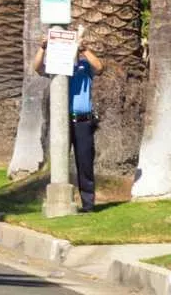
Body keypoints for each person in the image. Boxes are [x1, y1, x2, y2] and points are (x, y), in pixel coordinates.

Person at [33, 32, 107, 209]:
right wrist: (42, 48)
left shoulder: (84, 65)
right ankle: (60, 201)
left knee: (85, 162)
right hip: (62, 122)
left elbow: (99, 67)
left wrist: (84, 49)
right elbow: (37, 68)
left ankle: (88, 204)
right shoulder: (56, 67)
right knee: (59, 161)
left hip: (83, 121)